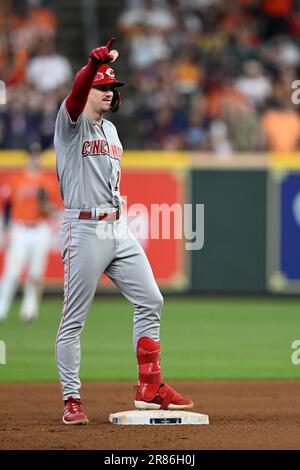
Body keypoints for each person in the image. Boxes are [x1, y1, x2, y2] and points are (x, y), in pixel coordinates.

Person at [54, 38, 193, 425]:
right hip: (82, 228)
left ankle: (150, 385)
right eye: (102, 87)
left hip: (117, 227)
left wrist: (100, 71)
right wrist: (90, 67)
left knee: (152, 299)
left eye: (112, 88)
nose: (108, 93)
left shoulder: (113, 133)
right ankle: (72, 398)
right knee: (73, 320)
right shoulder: (70, 124)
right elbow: (76, 94)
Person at [0, 142, 54, 322]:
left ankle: (29, 311)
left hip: (39, 228)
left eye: (37, 155)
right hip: (19, 229)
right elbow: (7, 205)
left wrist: (45, 204)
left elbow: (52, 210)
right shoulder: (16, 180)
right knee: (11, 272)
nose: (35, 158)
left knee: (36, 274)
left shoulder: (48, 182)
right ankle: (2, 308)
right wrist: (6, 229)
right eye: (32, 155)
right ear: (28, 158)